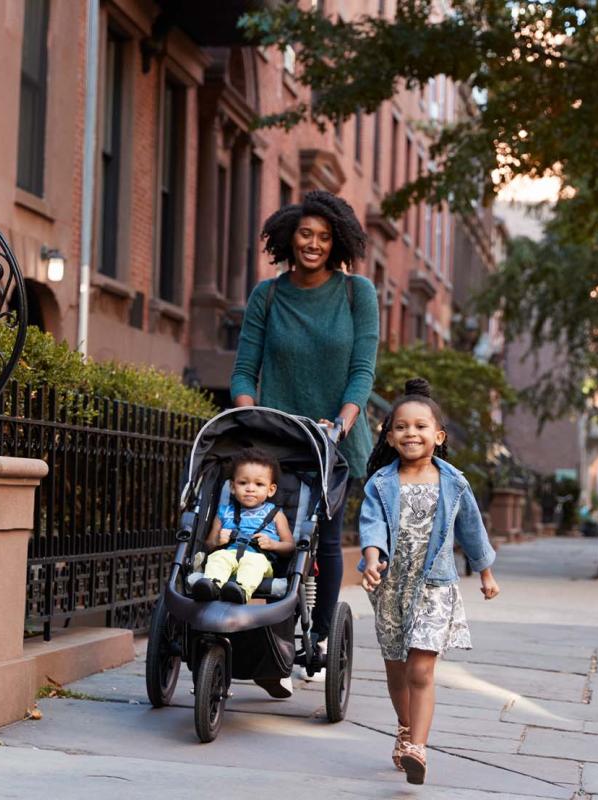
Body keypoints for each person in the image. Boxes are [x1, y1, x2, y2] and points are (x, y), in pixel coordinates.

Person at [231, 190, 378, 694]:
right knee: (266, 532)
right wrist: (249, 415)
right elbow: (245, 369)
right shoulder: (267, 295)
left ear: (337, 242)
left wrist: (341, 421)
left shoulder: (358, 293)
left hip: (334, 439)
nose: (313, 244)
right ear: (289, 238)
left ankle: (314, 634)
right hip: (275, 438)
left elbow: (362, 370)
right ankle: (269, 638)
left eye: (324, 237)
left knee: (324, 540)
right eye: (305, 234)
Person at [359, 378, 500, 785]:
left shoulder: (453, 482)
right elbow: (371, 526)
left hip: (436, 586)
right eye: (401, 427)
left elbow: (472, 528)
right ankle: (404, 727)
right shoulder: (381, 483)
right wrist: (371, 558)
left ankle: (418, 747)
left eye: (421, 426)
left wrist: (485, 571)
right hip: (390, 589)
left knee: (420, 669)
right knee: (397, 670)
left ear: (438, 436)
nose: (411, 433)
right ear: (389, 436)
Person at [192, 449, 294, 604]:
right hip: (229, 555)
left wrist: (273, 544)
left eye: (259, 484)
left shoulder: (276, 514)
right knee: (217, 557)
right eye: (243, 483)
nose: (250, 488)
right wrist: (218, 541)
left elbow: (290, 546)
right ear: (233, 487)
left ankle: (240, 591)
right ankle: (211, 587)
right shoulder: (224, 512)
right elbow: (209, 544)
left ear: (271, 490)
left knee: (253, 563)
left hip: (260, 560)